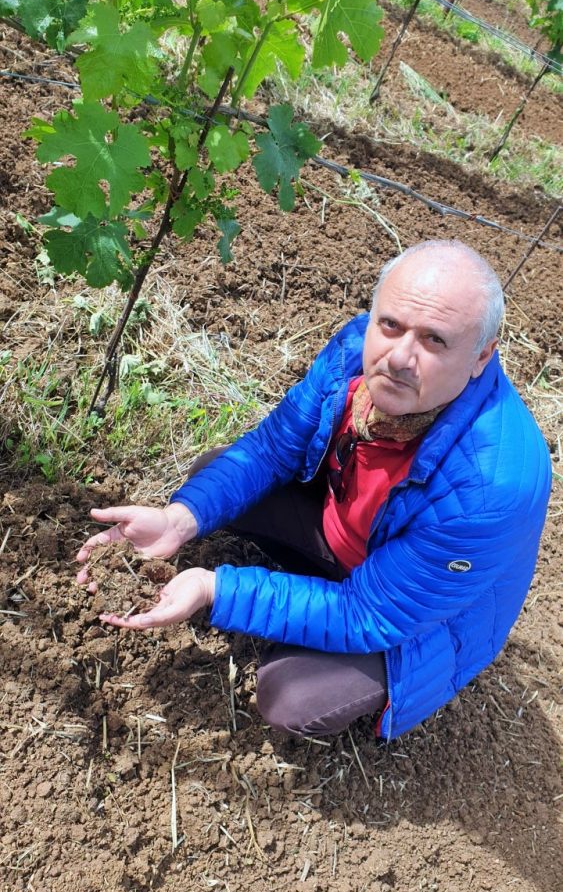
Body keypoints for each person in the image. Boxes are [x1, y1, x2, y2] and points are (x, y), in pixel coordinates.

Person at [77, 239, 551, 741]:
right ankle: (305, 583)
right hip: (346, 536)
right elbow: (273, 449)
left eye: (435, 341)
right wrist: (179, 519)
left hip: (410, 618)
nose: (400, 357)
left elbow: (367, 612)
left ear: (481, 357)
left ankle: (367, 670)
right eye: (390, 325)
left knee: (292, 698)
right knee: (212, 475)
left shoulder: (489, 487)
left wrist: (213, 587)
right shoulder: (355, 352)